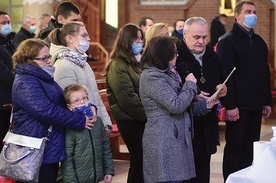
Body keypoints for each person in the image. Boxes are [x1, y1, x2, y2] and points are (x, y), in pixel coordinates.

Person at [11, 38, 93, 183]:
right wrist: (79, 120)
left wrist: (87, 107)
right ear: (29, 60)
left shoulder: (43, 76)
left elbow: (61, 102)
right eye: (44, 58)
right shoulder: (25, 81)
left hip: (47, 143)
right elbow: (45, 110)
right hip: (34, 145)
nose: (49, 60)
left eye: (49, 56)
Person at [140, 35, 218, 183]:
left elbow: (184, 106)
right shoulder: (151, 77)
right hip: (163, 140)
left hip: (175, 139)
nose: (177, 56)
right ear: (164, 54)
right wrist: (190, 84)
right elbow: (176, 105)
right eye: (175, 52)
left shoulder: (170, 73)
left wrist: (206, 105)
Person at [216, 1, 272, 181]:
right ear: (237, 15)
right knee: (235, 147)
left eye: (254, 11)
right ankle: (231, 180)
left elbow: (264, 73)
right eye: (248, 11)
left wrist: (266, 101)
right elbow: (225, 76)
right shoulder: (228, 41)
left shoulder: (259, 41)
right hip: (238, 106)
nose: (252, 14)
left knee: (250, 147)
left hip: (256, 104)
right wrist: (230, 105)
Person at [175, 17, 227, 183]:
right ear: (185, 34)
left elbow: (222, 77)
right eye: (196, 37)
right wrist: (192, 94)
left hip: (208, 122)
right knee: (186, 175)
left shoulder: (212, 54)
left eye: (204, 37)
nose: (201, 41)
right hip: (186, 124)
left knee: (204, 172)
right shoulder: (176, 55)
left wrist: (222, 87)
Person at [48, 21, 112, 132]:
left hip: (95, 123)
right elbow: (72, 104)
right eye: (84, 35)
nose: (89, 39)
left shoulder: (82, 62)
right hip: (82, 127)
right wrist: (86, 123)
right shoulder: (63, 65)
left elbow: (96, 96)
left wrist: (105, 122)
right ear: (70, 39)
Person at [105, 23, 146, 183]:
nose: (140, 41)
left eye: (141, 38)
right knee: (138, 160)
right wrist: (147, 115)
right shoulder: (118, 64)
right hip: (130, 120)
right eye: (136, 38)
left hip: (139, 118)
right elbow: (127, 99)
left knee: (143, 161)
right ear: (126, 40)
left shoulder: (135, 62)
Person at [62, 84, 114, 183]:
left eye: (85, 98)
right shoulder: (70, 127)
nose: (82, 102)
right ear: (70, 107)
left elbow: (105, 148)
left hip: (97, 176)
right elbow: (67, 159)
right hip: (79, 178)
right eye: (76, 101)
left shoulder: (97, 122)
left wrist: (108, 171)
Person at [0, 11, 16, 152]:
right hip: (2, 102)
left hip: (12, 99)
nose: (7, 25)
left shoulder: (10, 42)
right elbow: (3, 72)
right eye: (3, 23)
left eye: (8, 22)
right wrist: (20, 83)